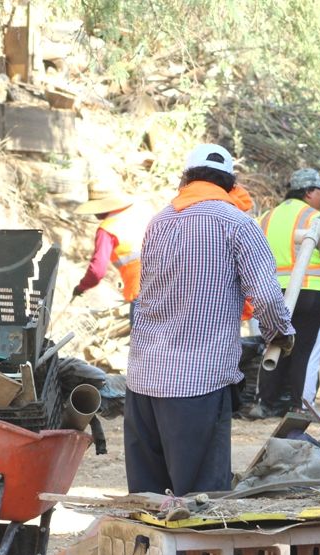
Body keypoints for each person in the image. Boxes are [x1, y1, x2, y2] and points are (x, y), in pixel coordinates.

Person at [124, 143, 294, 495]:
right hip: (197, 382)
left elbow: (148, 293)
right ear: (231, 184)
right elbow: (265, 295)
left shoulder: (159, 222)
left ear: (185, 180)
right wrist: (280, 333)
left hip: (143, 380)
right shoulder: (238, 224)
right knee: (201, 501)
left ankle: (149, 553)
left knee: (147, 501)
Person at [250, 168, 320, 418]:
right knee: (304, 348)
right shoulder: (315, 217)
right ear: (308, 192)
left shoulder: (265, 218)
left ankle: (265, 403)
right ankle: (300, 405)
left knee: (274, 344)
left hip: (271, 292)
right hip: (310, 292)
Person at [71, 189, 155, 317]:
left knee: (141, 336)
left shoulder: (107, 229)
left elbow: (97, 271)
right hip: (170, 284)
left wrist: (81, 287)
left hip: (141, 290)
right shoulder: (140, 212)